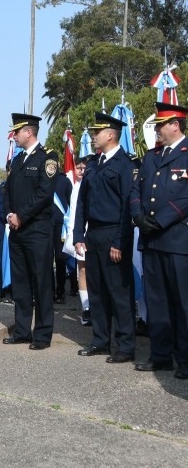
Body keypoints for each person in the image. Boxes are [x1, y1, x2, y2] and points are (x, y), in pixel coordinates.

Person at [131, 102, 188, 379]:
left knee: (182, 301)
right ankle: (161, 355)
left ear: (175, 125)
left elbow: (186, 196)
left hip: (177, 240)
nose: (156, 131)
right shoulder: (151, 156)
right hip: (151, 239)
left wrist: (162, 220)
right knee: (157, 301)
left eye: (160, 125)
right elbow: (136, 189)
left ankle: (185, 358)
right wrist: (138, 216)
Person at [74, 113, 136, 363]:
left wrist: (119, 242)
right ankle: (100, 340)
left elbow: (126, 205)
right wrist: (79, 234)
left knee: (118, 292)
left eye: (96, 133)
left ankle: (125, 345)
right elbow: (82, 202)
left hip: (114, 232)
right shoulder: (93, 163)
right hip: (94, 234)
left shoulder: (125, 164)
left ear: (110, 134)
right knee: (97, 290)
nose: (93, 137)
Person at [3, 113, 59, 350]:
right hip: (17, 231)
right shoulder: (17, 161)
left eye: (16, 131)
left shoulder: (48, 158)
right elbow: (7, 192)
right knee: (21, 283)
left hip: (37, 230)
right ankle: (22, 330)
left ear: (29, 132)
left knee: (42, 282)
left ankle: (43, 334)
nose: (13, 136)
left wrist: (21, 216)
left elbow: (44, 194)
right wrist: (8, 215)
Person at [62, 157, 91, 326]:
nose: (81, 171)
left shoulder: (93, 185)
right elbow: (73, 215)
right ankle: (86, 308)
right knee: (83, 271)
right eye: (78, 168)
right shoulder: (75, 188)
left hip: (94, 234)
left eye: (83, 167)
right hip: (80, 235)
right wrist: (74, 237)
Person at [51, 164, 73, 304]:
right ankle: (49, 291)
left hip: (61, 227)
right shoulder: (42, 179)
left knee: (60, 259)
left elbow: (71, 202)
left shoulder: (64, 181)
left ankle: (60, 292)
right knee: (46, 260)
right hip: (45, 225)